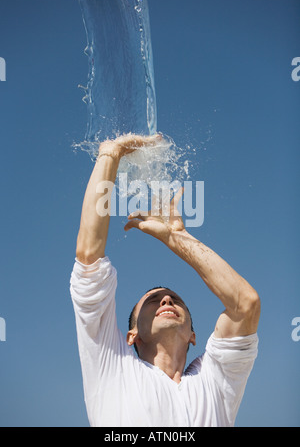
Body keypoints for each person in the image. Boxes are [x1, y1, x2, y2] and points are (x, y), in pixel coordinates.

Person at [70, 133, 260, 427]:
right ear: (131, 335)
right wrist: (111, 153)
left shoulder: (215, 382)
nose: (167, 299)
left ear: (193, 336)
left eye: (174, 299)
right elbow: (88, 259)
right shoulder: (112, 368)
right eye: (154, 301)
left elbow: (244, 305)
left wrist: (178, 238)